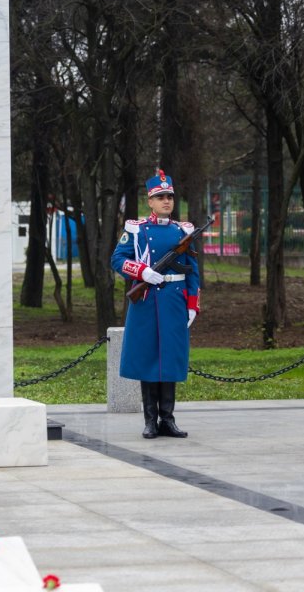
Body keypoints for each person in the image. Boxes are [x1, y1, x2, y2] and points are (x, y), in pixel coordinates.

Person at [110, 170, 201, 439]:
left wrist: (193, 304)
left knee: (170, 359)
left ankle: (168, 420)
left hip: (174, 301)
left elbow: (193, 270)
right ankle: (151, 420)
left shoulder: (182, 231)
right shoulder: (136, 230)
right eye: (160, 197)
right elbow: (117, 259)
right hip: (147, 300)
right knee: (149, 359)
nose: (166, 201)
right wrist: (142, 272)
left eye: (169, 197)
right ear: (150, 201)